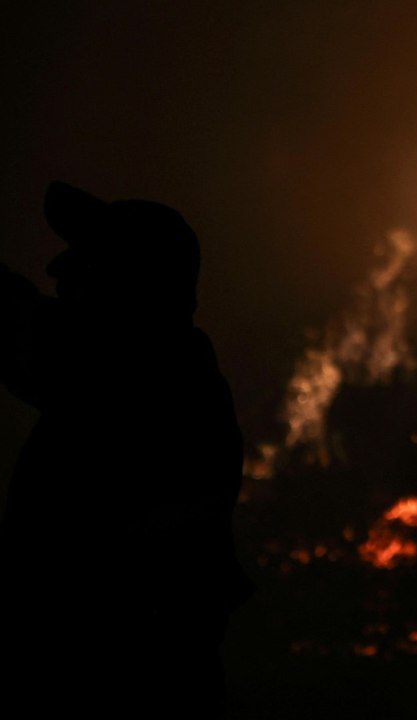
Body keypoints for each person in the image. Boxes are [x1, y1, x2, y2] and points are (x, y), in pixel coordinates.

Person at [0, 182, 252, 717]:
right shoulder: (169, 370)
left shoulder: (144, 373)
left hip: (118, 679)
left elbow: (26, 332)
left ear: (134, 288)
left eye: (88, 265)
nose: (59, 274)